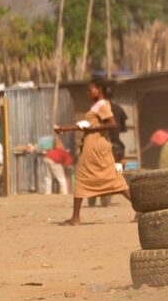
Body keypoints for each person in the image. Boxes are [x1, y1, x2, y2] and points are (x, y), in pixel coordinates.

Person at [53, 79, 132, 225]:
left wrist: (93, 129)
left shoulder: (102, 105)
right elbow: (87, 125)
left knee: (84, 177)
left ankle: (75, 218)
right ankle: (141, 209)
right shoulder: (96, 106)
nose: (88, 92)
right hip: (93, 145)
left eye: (90, 89)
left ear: (99, 89)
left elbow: (112, 123)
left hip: (97, 146)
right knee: (113, 179)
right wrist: (65, 128)